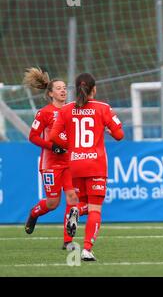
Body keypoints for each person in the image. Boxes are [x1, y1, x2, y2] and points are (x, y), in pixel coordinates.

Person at [50, 73, 124, 261]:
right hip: (96, 165)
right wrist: (109, 130)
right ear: (94, 89)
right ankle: (87, 249)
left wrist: (70, 145)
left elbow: (53, 136)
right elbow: (119, 135)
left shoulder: (66, 109)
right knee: (95, 210)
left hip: (75, 164)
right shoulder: (103, 108)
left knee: (84, 204)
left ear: (75, 89)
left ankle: (76, 211)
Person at [24, 67, 87, 245]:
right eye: (58, 88)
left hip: (69, 163)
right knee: (53, 203)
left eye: (64, 88)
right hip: (50, 164)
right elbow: (33, 136)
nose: (63, 90)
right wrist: (53, 147)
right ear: (51, 93)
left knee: (73, 198)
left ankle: (68, 241)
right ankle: (34, 213)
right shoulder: (44, 113)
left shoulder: (72, 110)